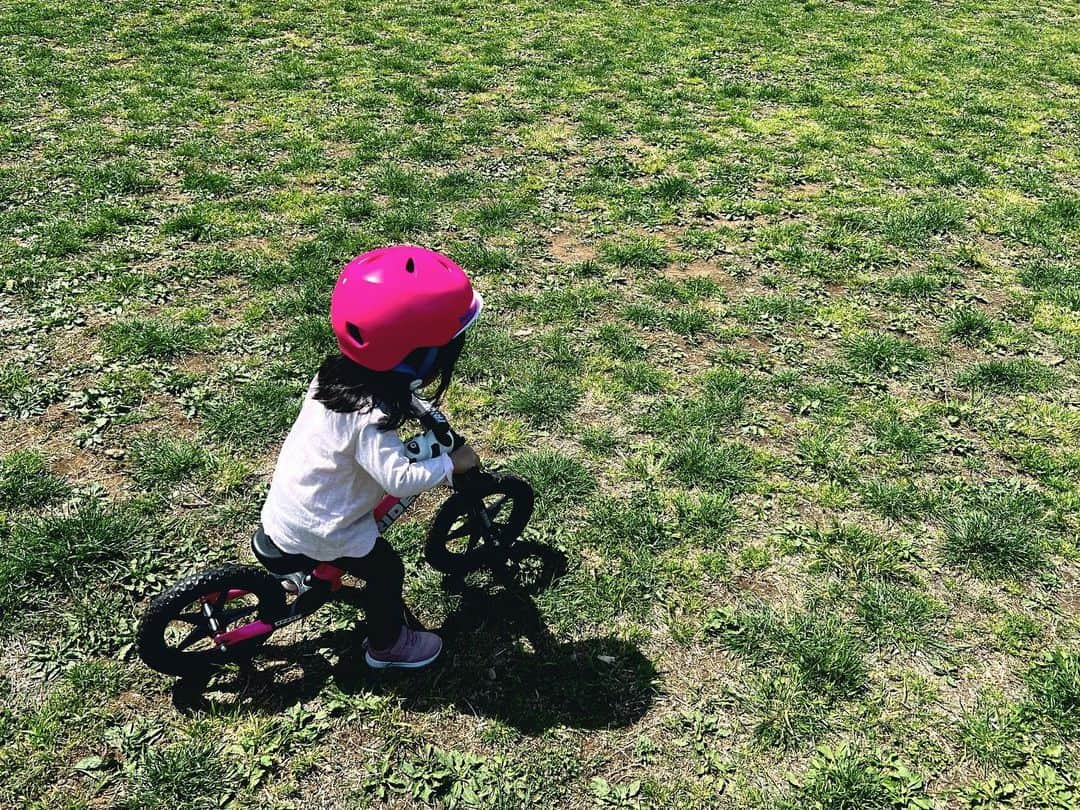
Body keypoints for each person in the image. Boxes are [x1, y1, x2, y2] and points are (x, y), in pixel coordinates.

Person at [259, 245, 482, 669]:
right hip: (325, 529)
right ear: (421, 356)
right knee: (387, 573)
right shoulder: (372, 420)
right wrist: (450, 463)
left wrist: (413, 404)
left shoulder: (333, 374)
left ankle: (302, 571)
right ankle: (387, 646)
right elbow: (398, 479)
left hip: (287, 507)